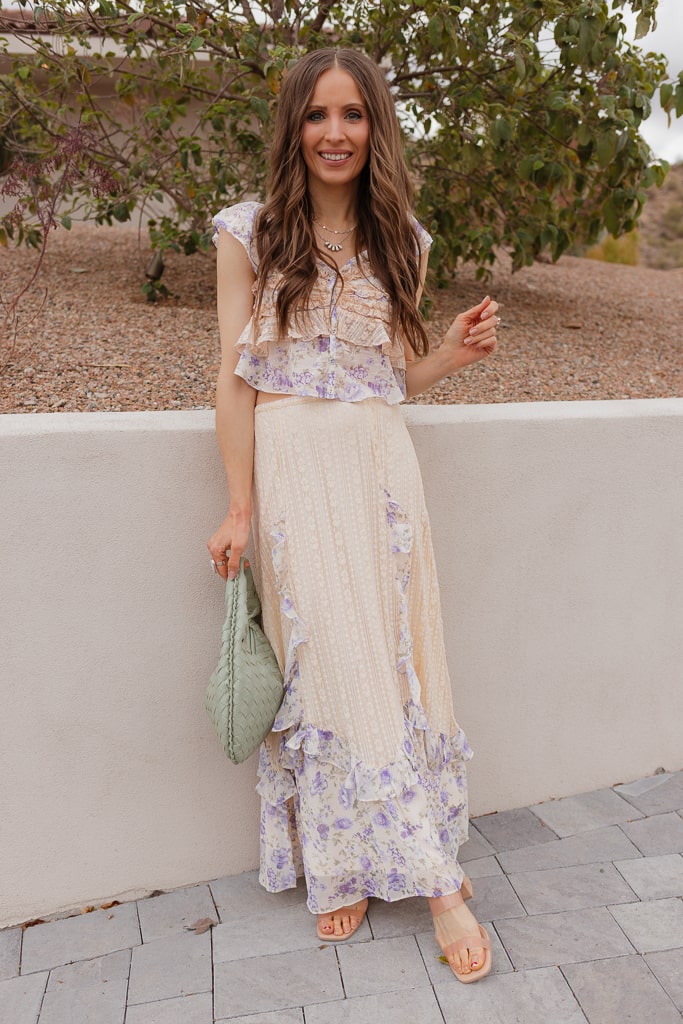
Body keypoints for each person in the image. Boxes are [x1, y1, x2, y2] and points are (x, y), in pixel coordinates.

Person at [208, 47, 499, 983]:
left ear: (376, 127)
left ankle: (374, 862)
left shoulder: (403, 240)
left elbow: (391, 378)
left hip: (381, 468)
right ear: (294, 127)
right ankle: (424, 882)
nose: (334, 133)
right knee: (332, 663)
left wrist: (450, 353)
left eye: (353, 115)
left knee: (395, 661)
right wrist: (239, 506)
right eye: (316, 115)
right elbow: (234, 380)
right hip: (295, 470)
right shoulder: (247, 233)